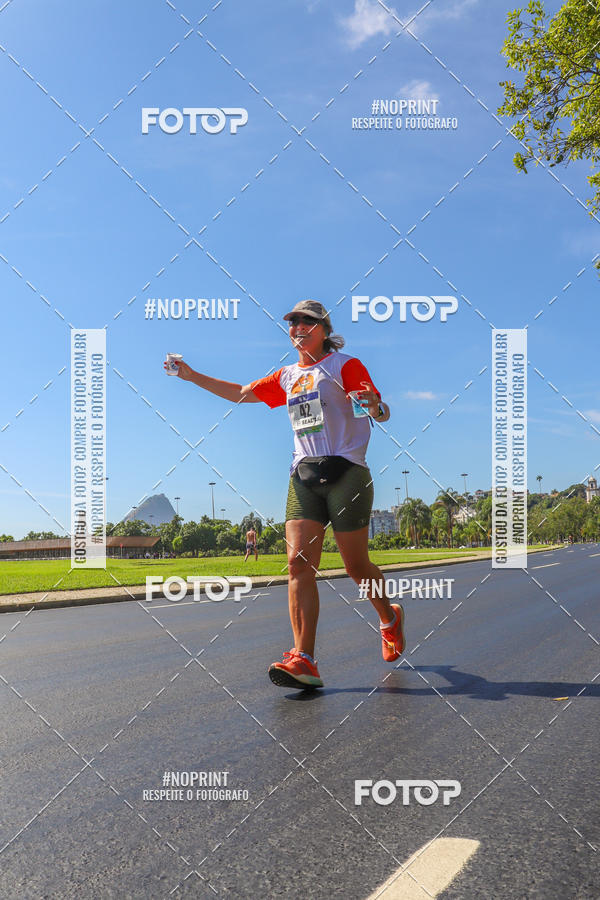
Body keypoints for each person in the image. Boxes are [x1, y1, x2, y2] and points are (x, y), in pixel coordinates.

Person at [164, 299, 405, 689]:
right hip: (304, 475)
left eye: (307, 322)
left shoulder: (346, 366)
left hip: (347, 473)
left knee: (356, 567)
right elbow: (241, 393)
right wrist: (191, 376)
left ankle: (389, 617)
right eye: (292, 323)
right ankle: (304, 659)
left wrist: (376, 408)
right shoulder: (287, 376)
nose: (298, 329)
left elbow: (378, 410)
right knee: (297, 564)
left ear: (324, 330)